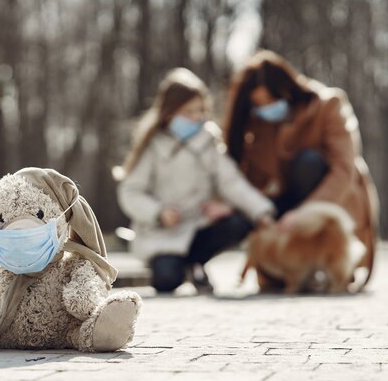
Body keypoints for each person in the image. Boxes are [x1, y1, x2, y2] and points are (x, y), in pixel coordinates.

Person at [223, 50, 379, 290]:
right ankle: (287, 266)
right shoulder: (259, 125)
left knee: (308, 162)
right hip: (283, 205)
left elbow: (343, 169)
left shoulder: (329, 104)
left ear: (285, 90)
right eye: (258, 105)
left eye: (268, 102)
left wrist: (304, 215)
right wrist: (260, 210)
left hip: (329, 203)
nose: (264, 110)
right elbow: (252, 177)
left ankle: (326, 259)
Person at [116, 68, 275, 294]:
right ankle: (178, 265)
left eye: (200, 110)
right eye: (189, 112)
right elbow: (130, 192)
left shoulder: (208, 142)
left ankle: (196, 262)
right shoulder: (152, 146)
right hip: (163, 230)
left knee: (239, 222)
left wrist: (262, 211)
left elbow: (232, 182)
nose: (197, 117)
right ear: (170, 113)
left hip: (199, 225)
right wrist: (158, 213)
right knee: (166, 280)